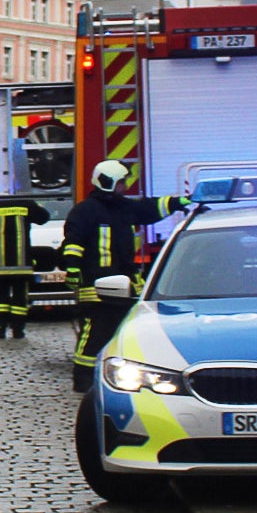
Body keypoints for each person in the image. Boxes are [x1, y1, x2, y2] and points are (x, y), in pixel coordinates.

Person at [63, 161, 188, 391]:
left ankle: (119, 378)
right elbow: (73, 243)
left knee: (127, 335)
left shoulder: (123, 208)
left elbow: (149, 209)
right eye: (120, 182)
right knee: (95, 333)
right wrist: (72, 268)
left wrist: (176, 202)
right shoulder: (85, 211)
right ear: (107, 182)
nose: (124, 187)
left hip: (125, 284)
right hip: (95, 286)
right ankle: (83, 381)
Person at [0, 195, 50, 340]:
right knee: (20, 297)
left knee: (0, 296)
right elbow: (44, 218)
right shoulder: (26, 202)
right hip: (22, 263)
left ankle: (0, 327)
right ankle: (18, 329)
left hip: (0, 263)